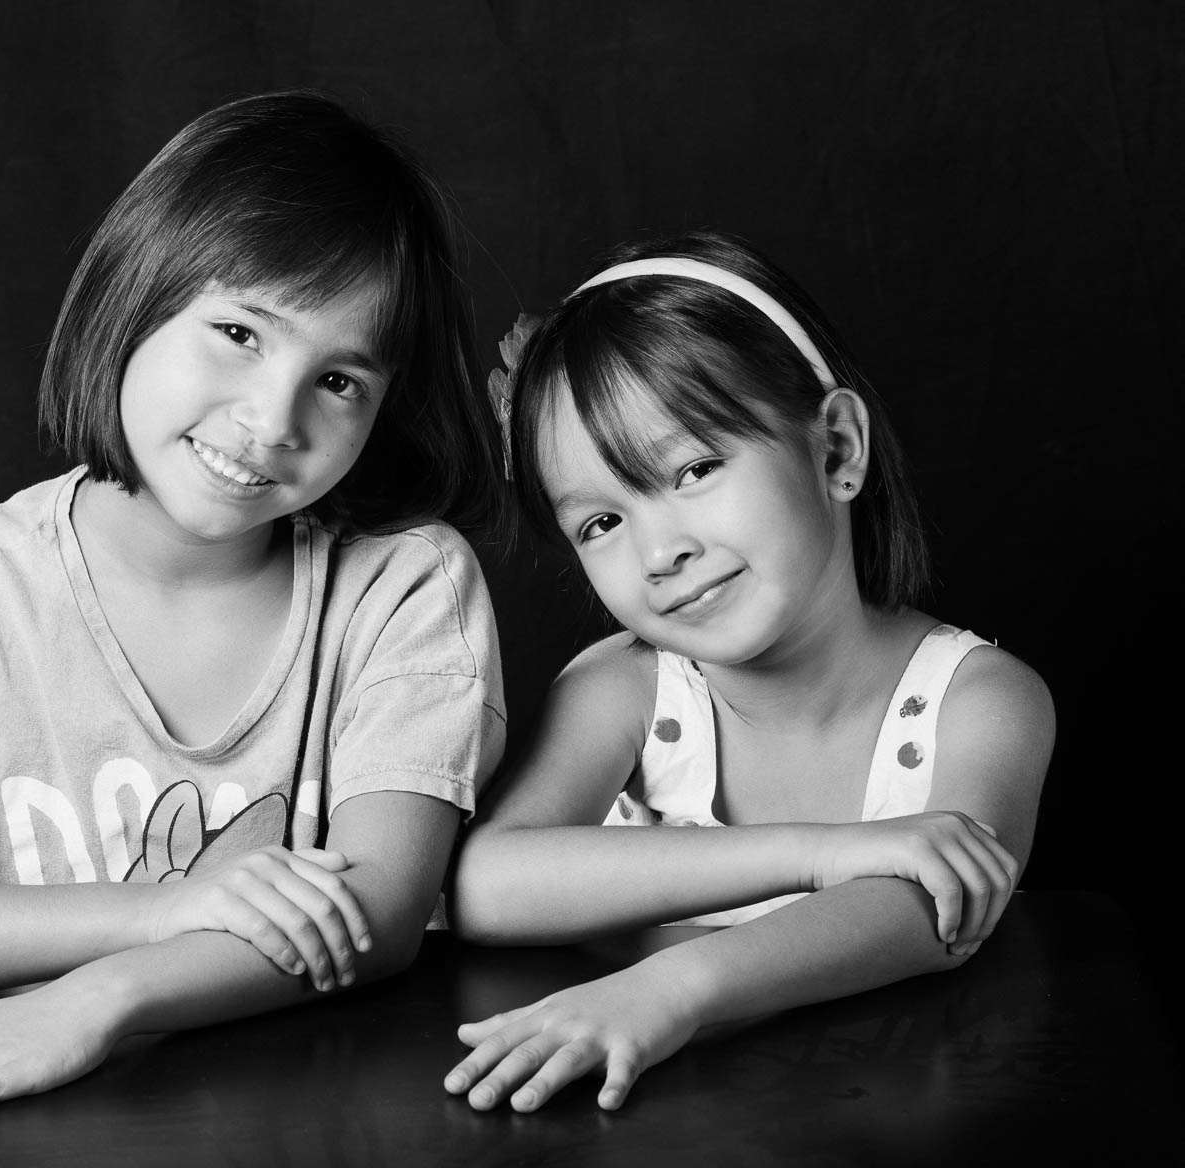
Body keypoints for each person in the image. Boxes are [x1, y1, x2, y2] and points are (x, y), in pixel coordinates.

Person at [0, 91, 507, 1120]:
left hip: (298, 1136)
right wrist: (167, 911)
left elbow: (377, 913)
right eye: (239, 331)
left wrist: (106, 997)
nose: (270, 420)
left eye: (338, 381)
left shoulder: (405, 586)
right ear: (135, 294)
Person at [444, 229, 1053, 1113]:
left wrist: (670, 992)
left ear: (837, 449)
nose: (660, 550)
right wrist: (820, 853)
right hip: (655, 1129)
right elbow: (479, 884)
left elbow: (937, 910)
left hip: (883, 1119)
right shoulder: (626, 686)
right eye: (600, 524)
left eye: (694, 467)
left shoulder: (982, 700)